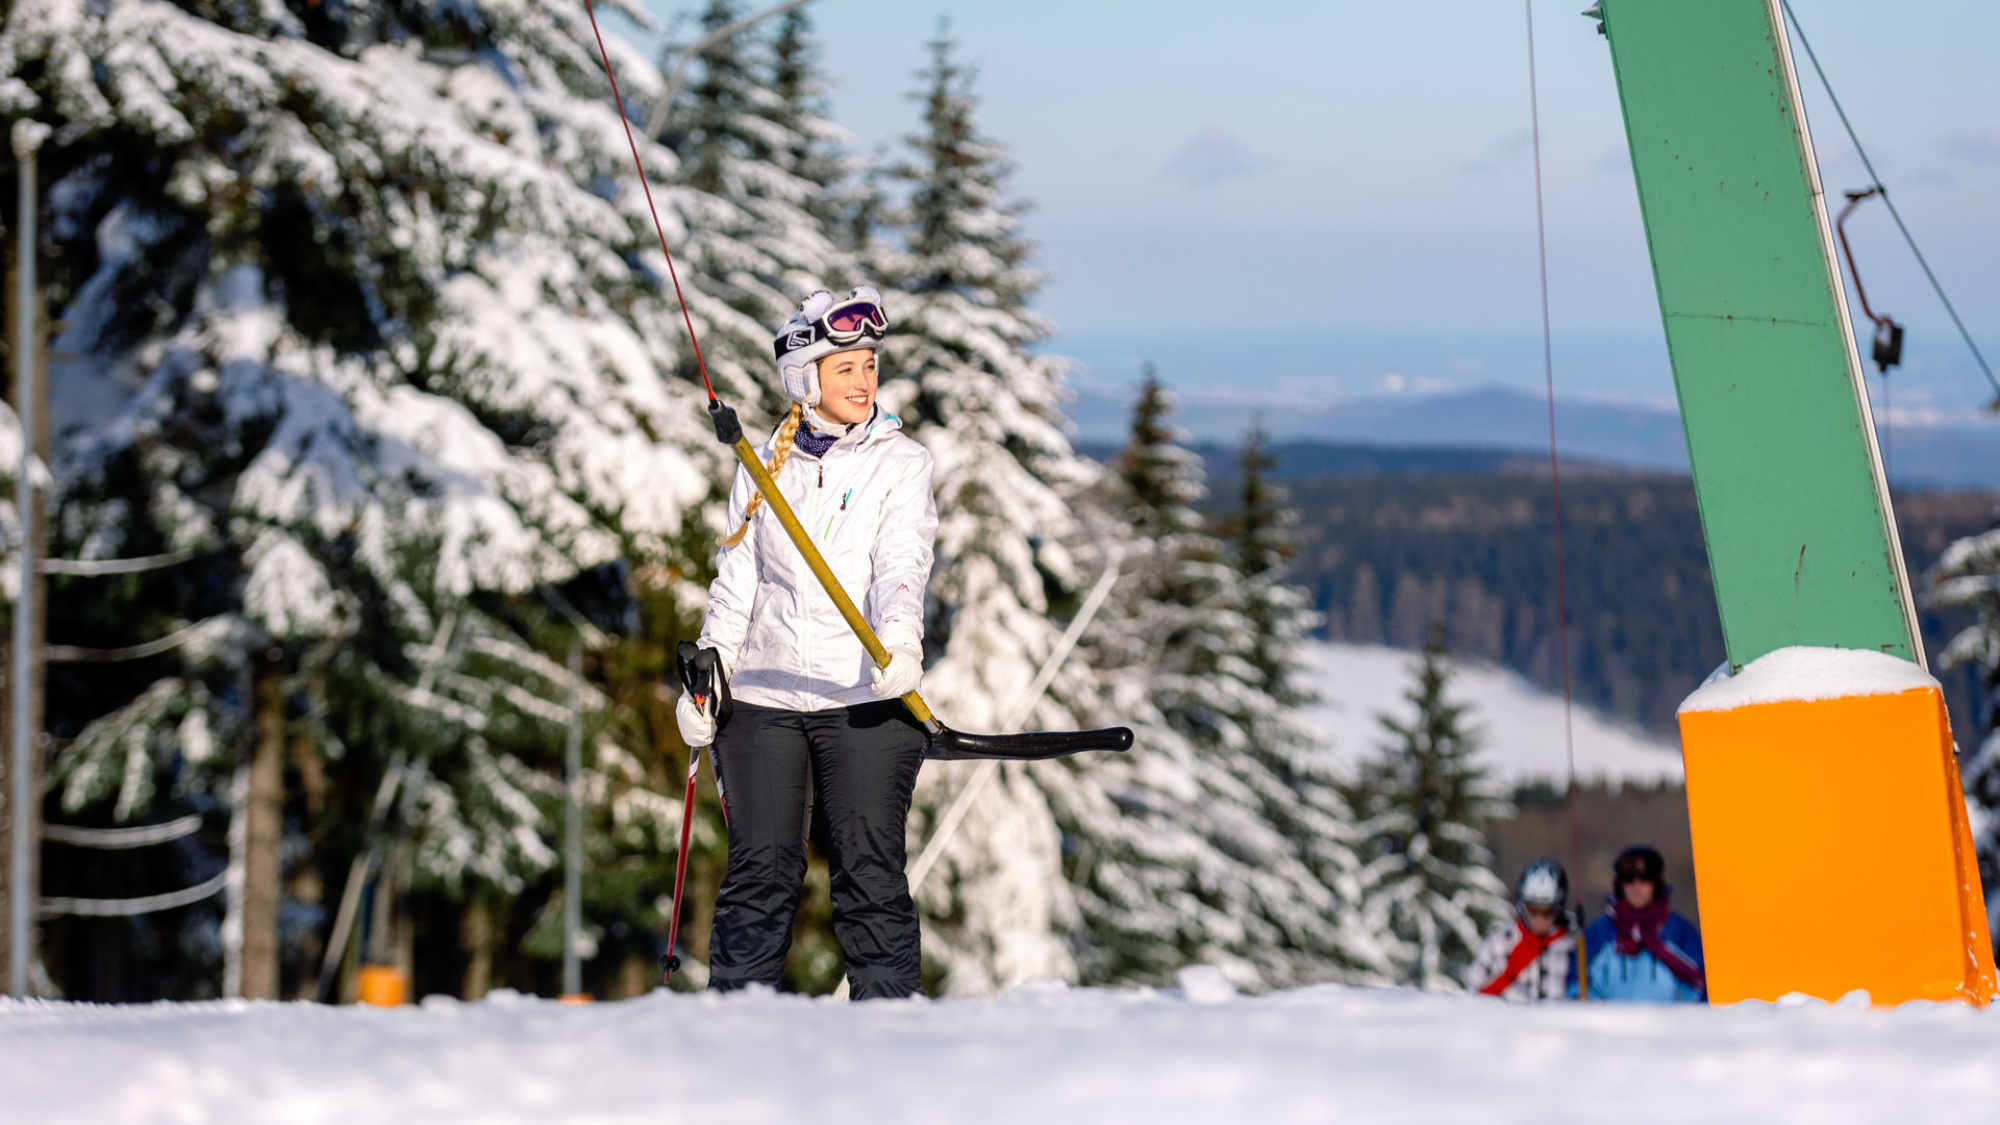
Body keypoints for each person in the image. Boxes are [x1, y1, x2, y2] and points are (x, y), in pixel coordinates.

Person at [675, 286, 937, 1000]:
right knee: (762, 871)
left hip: (865, 696)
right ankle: (736, 1035)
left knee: (870, 874)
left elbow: (901, 567)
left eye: (870, 365)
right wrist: (711, 679)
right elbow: (737, 579)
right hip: (763, 696)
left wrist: (900, 642)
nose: (862, 381)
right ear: (806, 378)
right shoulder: (762, 462)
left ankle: (888, 1039)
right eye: (844, 367)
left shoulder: (901, 463)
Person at [1583, 844, 1705, 1003]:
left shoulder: (1679, 931)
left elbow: (1700, 988)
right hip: (1610, 1025)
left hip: (1670, 1025)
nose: (1637, 886)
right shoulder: (1601, 932)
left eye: (1645, 878)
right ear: (1619, 885)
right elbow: (1579, 987)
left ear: (1657, 883)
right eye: (1629, 879)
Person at [1469, 858, 1578, 1001]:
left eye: (1547, 912)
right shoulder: (1497, 942)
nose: (1539, 919)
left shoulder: (1573, 948)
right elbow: (1474, 993)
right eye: (1532, 910)